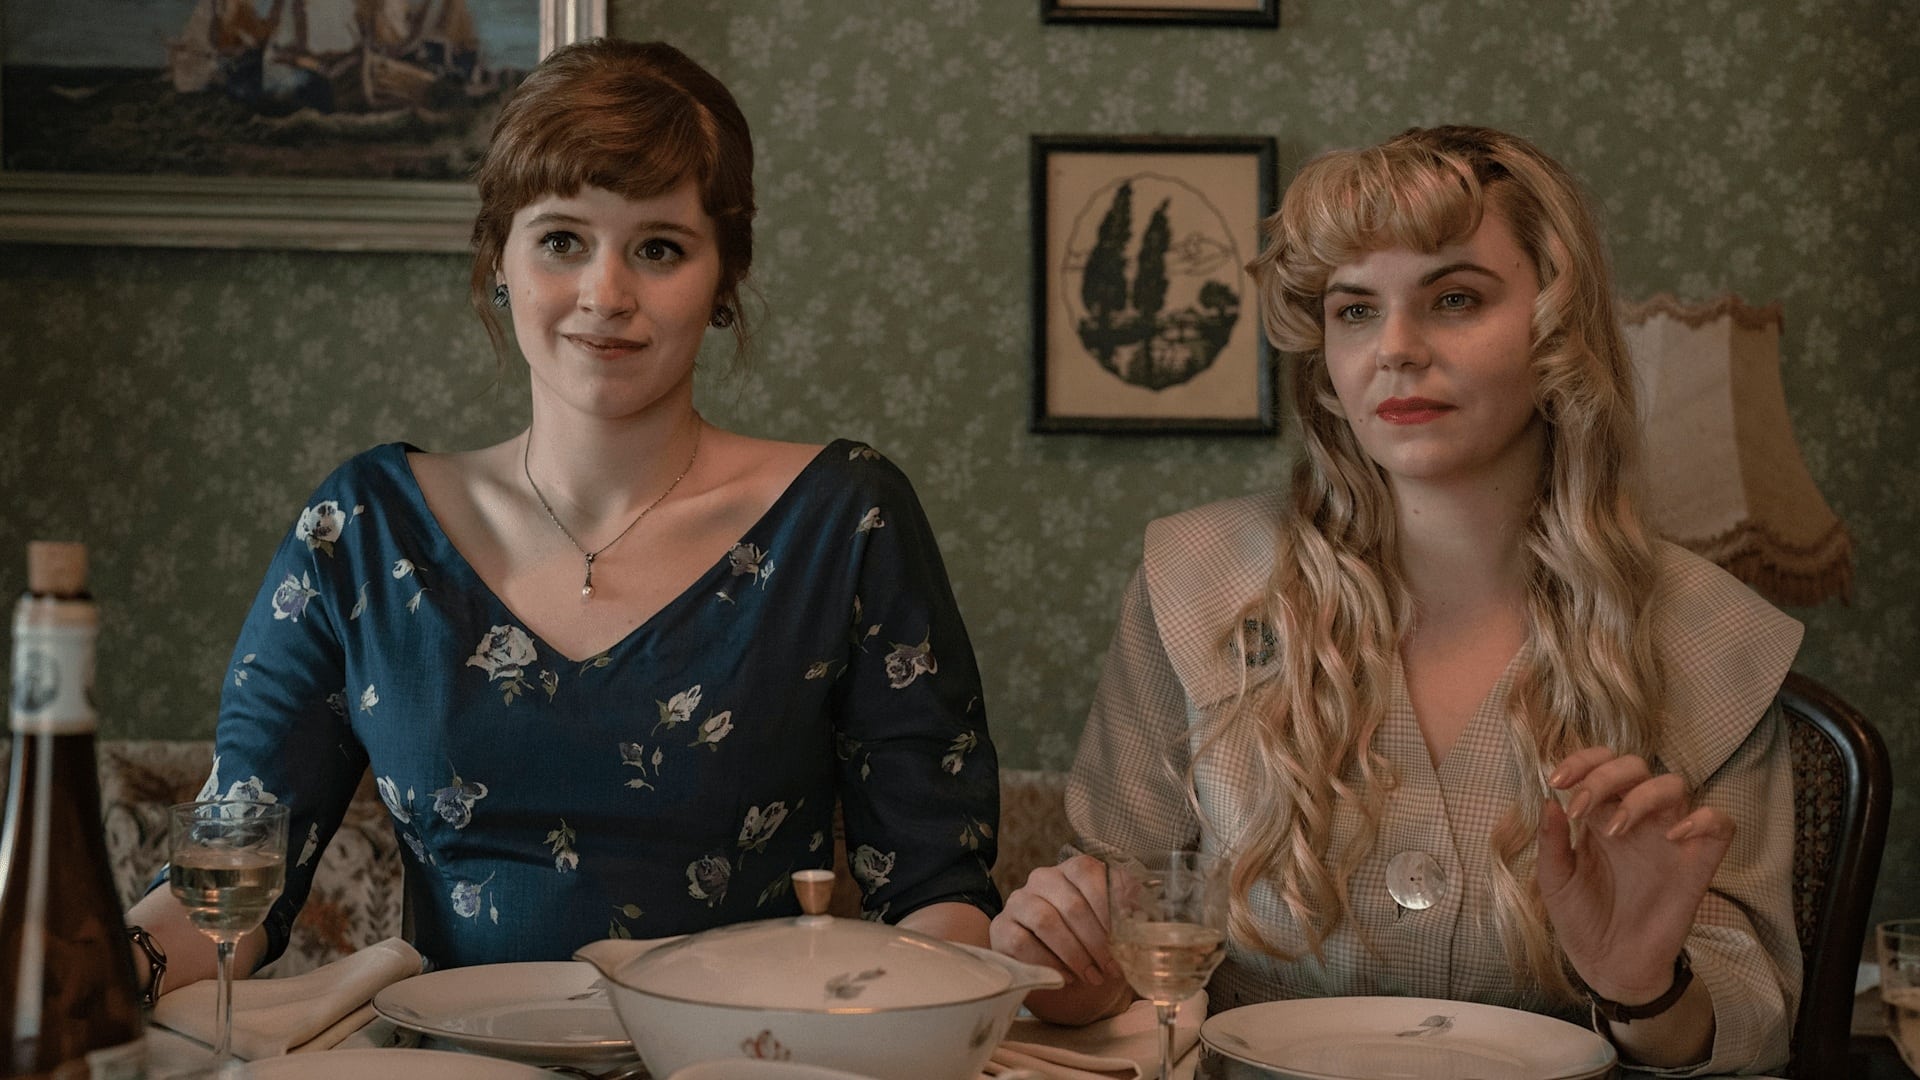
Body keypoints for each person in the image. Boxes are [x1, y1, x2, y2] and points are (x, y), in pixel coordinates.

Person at [126, 38, 1000, 994]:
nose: (605, 295)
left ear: (724, 278)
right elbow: (226, 883)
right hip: (441, 1062)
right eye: (561, 240)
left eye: (659, 249)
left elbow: (937, 896)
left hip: (739, 1057)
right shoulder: (363, 529)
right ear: (499, 257)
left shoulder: (846, 521)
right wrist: (77, 974)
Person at [990, 126, 1800, 1075]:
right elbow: (1118, 944)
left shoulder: (1716, 640)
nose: (1397, 349)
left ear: (1557, 326)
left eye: (1455, 299)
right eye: (1355, 309)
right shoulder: (1193, 582)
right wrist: (1068, 962)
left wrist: (1645, 987)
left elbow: (1754, 1023)